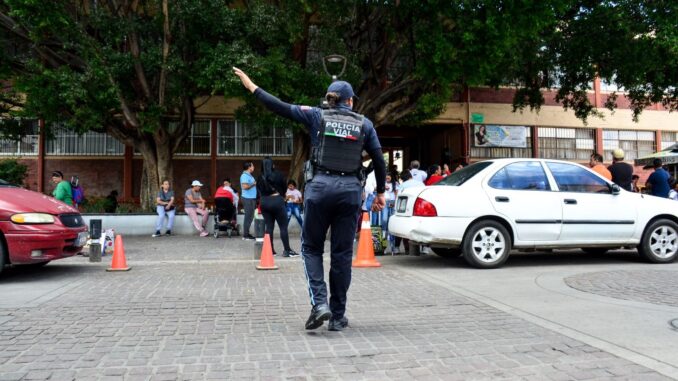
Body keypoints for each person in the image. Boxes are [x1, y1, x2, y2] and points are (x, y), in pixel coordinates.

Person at [234, 67, 386, 332]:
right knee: (341, 254)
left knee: (311, 248)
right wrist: (381, 192)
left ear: (330, 100)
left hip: (319, 190)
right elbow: (380, 160)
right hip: (350, 192)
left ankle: (319, 304)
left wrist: (251, 86)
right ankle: (337, 316)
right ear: (350, 101)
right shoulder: (365, 124)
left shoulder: (317, 115)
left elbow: (279, 106)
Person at [257, 157, 299, 257]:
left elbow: (258, 192)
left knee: (269, 227)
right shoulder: (279, 175)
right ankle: (287, 250)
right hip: (277, 201)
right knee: (283, 227)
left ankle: (270, 250)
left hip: (264, 202)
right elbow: (284, 189)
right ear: (272, 165)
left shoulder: (259, 177)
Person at [240, 162, 257, 240]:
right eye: (252, 166)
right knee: (248, 216)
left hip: (251, 198)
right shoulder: (244, 176)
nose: (253, 167)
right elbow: (245, 186)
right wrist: (254, 184)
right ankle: (245, 235)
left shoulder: (249, 175)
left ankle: (247, 233)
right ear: (249, 167)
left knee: (250, 216)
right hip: (247, 198)